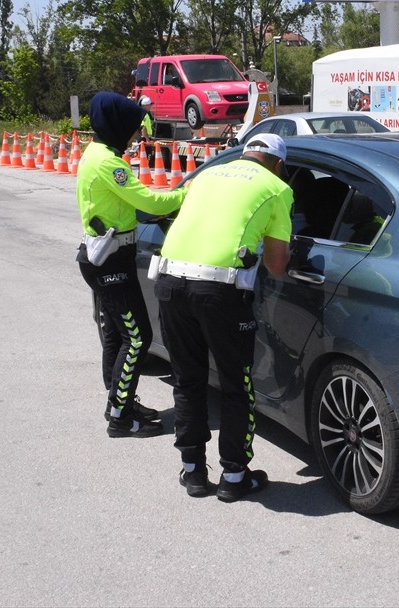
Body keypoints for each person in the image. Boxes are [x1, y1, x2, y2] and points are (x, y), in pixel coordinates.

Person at [153, 133, 293, 501]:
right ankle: (234, 476)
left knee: (187, 379)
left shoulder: (208, 175)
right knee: (236, 383)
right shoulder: (277, 187)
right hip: (218, 291)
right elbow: (277, 267)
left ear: (245, 155)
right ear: (279, 164)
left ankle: (193, 472)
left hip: (169, 281)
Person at [77, 92, 185, 439]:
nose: (136, 135)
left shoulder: (98, 153)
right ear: (118, 124)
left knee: (116, 335)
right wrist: (188, 193)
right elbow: (147, 200)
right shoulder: (108, 163)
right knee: (138, 338)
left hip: (108, 257)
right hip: (111, 260)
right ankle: (121, 417)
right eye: (134, 128)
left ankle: (119, 402)